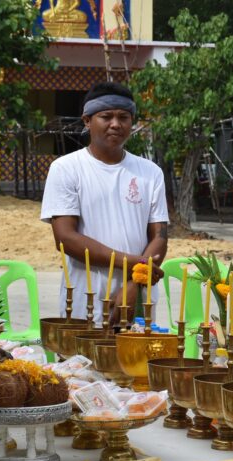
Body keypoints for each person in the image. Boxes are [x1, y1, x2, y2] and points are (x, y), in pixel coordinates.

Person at [41, 81, 169, 325]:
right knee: (78, 363)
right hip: (83, 298)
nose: (115, 124)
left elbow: (159, 237)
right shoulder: (66, 169)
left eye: (124, 117)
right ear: (87, 120)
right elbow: (65, 238)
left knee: (134, 361)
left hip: (138, 297)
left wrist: (134, 282)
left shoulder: (150, 172)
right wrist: (136, 263)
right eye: (106, 116)